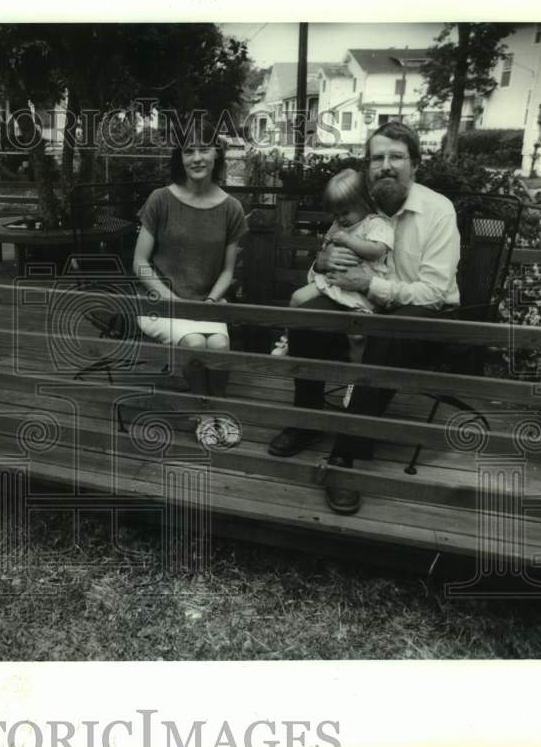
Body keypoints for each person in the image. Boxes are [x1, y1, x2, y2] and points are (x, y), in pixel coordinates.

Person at [267, 122, 461, 515]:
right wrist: (320, 263)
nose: (386, 166)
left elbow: (434, 293)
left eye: (396, 157)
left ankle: (346, 456)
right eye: (378, 158)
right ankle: (308, 418)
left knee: (387, 332)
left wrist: (371, 287)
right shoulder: (358, 206)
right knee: (307, 317)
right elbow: (326, 266)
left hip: (421, 317)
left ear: (415, 165)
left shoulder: (437, 211)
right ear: (367, 167)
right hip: (362, 305)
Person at [132, 122, 249, 449]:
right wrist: (172, 299)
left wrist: (211, 301)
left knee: (220, 348)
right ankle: (204, 413)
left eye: (204, 149)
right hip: (159, 301)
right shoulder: (160, 200)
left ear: (217, 154)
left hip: (205, 304)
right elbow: (139, 262)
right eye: (188, 151)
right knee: (196, 342)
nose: (197, 157)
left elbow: (227, 271)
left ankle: (220, 410)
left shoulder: (231, 208)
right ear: (180, 158)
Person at [288, 167, 394, 365]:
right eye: (336, 215)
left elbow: (377, 251)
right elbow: (325, 251)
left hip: (361, 291)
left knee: (357, 336)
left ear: (363, 202)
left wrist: (347, 240)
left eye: (345, 212)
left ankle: (355, 377)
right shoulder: (339, 225)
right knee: (296, 298)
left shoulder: (376, 223)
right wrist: (326, 250)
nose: (341, 219)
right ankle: (287, 341)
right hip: (334, 284)